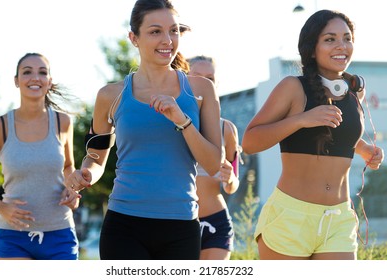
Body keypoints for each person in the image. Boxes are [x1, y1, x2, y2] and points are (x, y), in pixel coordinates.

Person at [66, 0, 221, 260]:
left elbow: (214, 163)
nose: (167, 40)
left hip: (181, 225)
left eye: (173, 30)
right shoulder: (109, 95)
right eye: (155, 31)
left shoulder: (202, 90)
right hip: (124, 225)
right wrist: (85, 174)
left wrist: (182, 120)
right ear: (134, 38)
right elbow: (95, 158)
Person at [242, 10, 384, 260]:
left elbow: (338, 137)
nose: (342, 45)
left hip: (339, 219)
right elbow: (250, 142)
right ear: (311, 48)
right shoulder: (292, 87)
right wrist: (301, 120)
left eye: (347, 38)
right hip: (291, 217)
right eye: (330, 39)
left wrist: (363, 149)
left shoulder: (354, 94)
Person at [0, 53, 80, 260]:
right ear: (16, 81)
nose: (35, 77)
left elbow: (68, 167)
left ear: (49, 81)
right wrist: (1, 207)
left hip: (60, 233)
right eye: (27, 72)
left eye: (42, 72)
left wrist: (72, 190)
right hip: (13, 236)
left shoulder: (63, 122)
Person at [187, 55, 240, 260]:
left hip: (216, 222)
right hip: (178, 222)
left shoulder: (226, 128)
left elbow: (232, 184)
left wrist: (230, 178)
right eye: (197, 76)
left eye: (210, 78)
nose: (204, 83)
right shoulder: (167, 121)